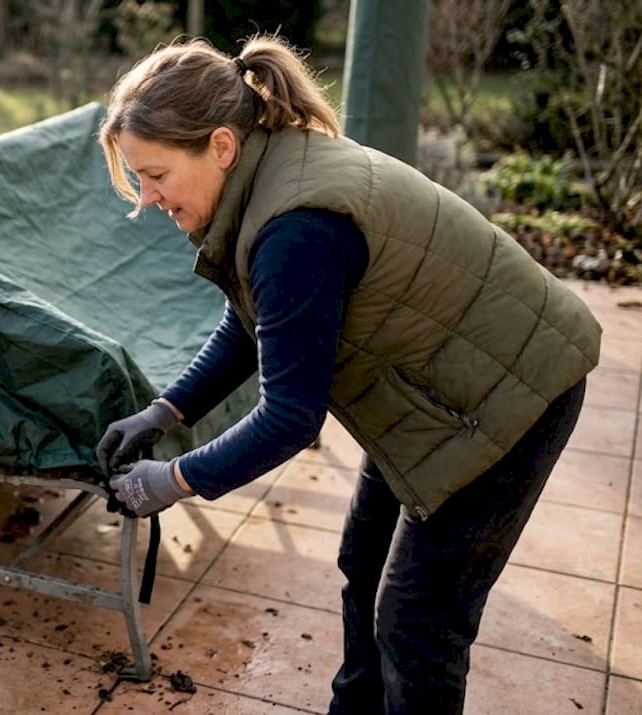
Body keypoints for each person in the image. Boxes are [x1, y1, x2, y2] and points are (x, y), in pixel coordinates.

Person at [93, 35, 600, 715]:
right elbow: (253, 324)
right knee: (365, 565)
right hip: (442, 388)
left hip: (508, 396)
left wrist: (172, 480)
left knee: (418, 622)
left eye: (156, 174)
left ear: (219, 145)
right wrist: (167, 410)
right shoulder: (270, 174)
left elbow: (289, 417)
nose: (150, 197)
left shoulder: (293, 227)